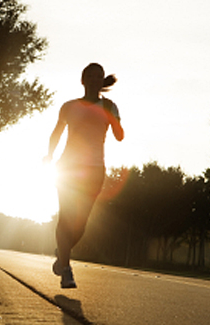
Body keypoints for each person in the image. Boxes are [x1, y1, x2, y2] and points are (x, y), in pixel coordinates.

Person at [43, 63, 124, 288]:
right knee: (66, 218)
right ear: (83, 79)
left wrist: (112, 116)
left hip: (95, 170)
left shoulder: (109, 106)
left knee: (80, 225)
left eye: (99, 76)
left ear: (102, 81)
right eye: (90, 75)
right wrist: (49, 156)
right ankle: (67, 270)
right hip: (68, 169)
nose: (94, 79)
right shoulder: (69, 106)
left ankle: (62, 255)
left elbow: (119, 136)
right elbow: (56, 133)